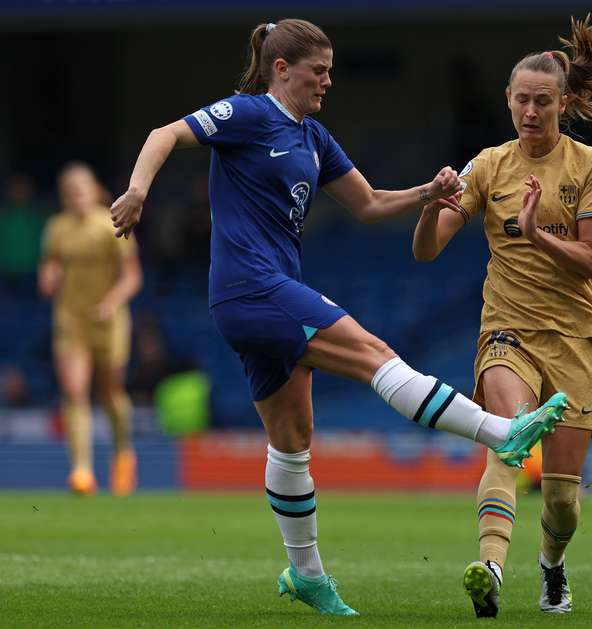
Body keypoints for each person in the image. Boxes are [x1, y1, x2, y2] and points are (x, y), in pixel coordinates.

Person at [109, 18, 568, 617]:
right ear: (282, 69)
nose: (328, 80)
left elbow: (370, 203)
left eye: (330, 70)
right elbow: (163, 133)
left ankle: (306, 575)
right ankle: (502, 433)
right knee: (375, 356)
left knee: (293, 439)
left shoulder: (314, 138)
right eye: (318, 71)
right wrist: (139, 190)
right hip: (253, 290)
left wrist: (427, 194)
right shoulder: (249, 114)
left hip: (268, 294)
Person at [412, 15, 592, 617]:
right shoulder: (488, 166)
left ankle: (551, 566)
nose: (531, 112)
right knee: (506, 438)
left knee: (561, 502)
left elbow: (587, 262)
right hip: (508, 332)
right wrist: (430, 205)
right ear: (508, 100)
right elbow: (426, 251)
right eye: (522, 100)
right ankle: (491, 567)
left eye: (543, 102)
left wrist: (535, 233)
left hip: (576, 338)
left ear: (562, 103)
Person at [39, 162, 143, 496]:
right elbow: (51, 263)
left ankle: (123, 454)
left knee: (110, 392)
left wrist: (112, 302)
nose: (76, 198)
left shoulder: (110, 222)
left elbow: (132, 276)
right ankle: (81, 470)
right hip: (71, 319)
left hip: (109, 320)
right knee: (74, 392)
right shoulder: (57, 227)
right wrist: (49, 276)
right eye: (70, 194)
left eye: (81, 191)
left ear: (93, 191)